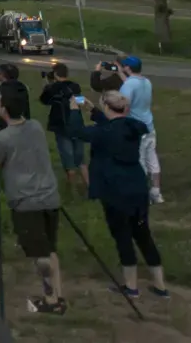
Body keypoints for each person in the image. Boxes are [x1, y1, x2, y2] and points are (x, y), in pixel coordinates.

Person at [68, 90, 169, 298]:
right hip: (137, 187)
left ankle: (131, 287)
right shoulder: (133, 127)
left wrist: (74, 111)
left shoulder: (102, 133)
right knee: (143, 234)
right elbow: (114, 125)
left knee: (123, 236)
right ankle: (160, 286)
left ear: (107, 107)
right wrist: (94, 110)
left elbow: (77, 131)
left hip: (115, 190)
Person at [0, 89, 65, 315]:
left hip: (26, 201)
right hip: (49, 196)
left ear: (3, 109)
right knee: (49, 249)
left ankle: (51, 300)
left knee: (40, 256)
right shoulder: (36, 126)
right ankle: (57, 294)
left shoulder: (3, 138)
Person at [116, 57, 163, 203]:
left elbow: (124, 103)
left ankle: (142, 194)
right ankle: (156, 192)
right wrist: (120, 74)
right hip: (149, 126)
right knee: (152, 159)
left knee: (139, 161)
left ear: (128, 68)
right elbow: (131, 84)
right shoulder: (146, 82)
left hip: (136, 129)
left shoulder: (129, 85)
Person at [38, 62, 88, 192]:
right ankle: (89, 187)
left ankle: (72, 192)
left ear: (55, 74)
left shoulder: (52, 88)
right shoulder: (75, 86)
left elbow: (44, 100)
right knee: (81, 159)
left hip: (61, 126)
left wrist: (46, 84)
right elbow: (81, 102)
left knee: (68, 159)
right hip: (77, 124)